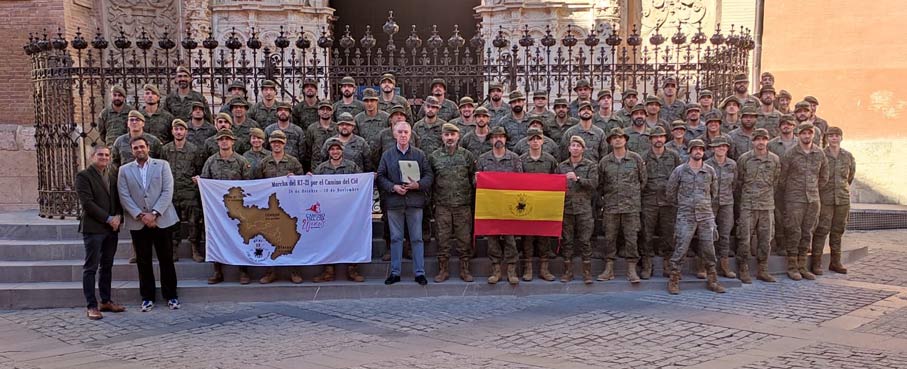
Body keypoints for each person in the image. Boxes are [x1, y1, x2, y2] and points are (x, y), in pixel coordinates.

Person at [117, 136, 180, 312]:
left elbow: (168, 191)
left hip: (162, 220)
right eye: (136, 148)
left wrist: (154, 214)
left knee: (166, 259)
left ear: (148, 148)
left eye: (142, 147)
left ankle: (171, 295)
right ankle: (147, 297)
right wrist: (139, 215)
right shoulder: (124, 170)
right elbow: (124, 195)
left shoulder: (162, 165)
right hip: (138, 222)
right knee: (143, 261)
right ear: (132, 151)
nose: (139, 150)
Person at [376, 121, 434, 285]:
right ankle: (395, 272)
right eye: (400, 132)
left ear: (410, 135)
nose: (403, 135)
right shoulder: (387, 155)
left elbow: (429, 175)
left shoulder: (419, 154)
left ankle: (419, 272)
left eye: (406, 132)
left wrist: (418, 185)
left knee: (416, 238)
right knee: (395, 238)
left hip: (414, 202)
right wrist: (393, 187)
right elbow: (380, 176)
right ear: (394, 134)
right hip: (394, 202)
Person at [664, 139, 724, 294]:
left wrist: (704, 204)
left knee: (709, 247)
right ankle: (674, 279)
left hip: (705, 214)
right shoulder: (680, 170)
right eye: (695, 149)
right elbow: (670, 192)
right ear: (689, 151)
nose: (698, 151)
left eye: (701, 149)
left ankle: (712, 279)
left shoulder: (709, 171)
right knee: (681, 247)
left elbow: (714, 192)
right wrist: (683, 205)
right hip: (686, 214)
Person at [197, 129, 254, 284]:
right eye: (221, 139)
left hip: (237, 209)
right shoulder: (211, 161)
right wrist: (200, 182)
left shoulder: (241, 161)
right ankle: (217, 271)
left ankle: (243, 271)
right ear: (217, 142)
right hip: (217, 209)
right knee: (217, 238)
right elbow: (205, 181)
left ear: (233, 141)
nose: (224, 142)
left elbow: (249, 185)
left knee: (241, 238)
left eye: (227, 139)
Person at [75, 145, 125, 320]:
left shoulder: (111, 175)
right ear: (92, 156)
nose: (104, 157)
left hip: (111, 229)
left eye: (106, 155)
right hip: (94, 228)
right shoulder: (84, 176)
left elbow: (118, 198)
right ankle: (91, 305)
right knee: (91, 267)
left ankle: (106, 300)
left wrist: (118, 216)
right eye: (100, 154)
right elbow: (87, 203)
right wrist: (108, 218)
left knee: (107, 265)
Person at [312, 138, 367, 282]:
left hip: (348, 210)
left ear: (342, 150)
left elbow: (361, 183)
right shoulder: (322, 168)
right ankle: (328, 271)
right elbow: (313, 187)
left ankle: (352, 269)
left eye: (338, 149)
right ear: (328, 152)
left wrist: (368, 178)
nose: (335, 152)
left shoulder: (352, 166)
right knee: (327, 239)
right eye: (332, 149)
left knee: (351, 238)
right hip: (328, 210)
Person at [779, 123, 828, 281]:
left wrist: (813, 190)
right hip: (794, 199)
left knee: (807, 232)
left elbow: (824, 176)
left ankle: (802, 266)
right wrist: (793, 192)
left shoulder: (819, 153)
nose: (807, 136)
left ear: (813, 135)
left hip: (813, 199)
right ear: (798, 135)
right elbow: (782, 178)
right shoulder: (791, 154)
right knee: (794, 231)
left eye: (809, 133)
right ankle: (792, 267)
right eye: (803, 133)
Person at [256, 130, 306, 284]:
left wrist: (295, 179)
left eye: (280, 142)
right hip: (270, 208)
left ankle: (294, 270)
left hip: (288, 208)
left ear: (284, 143)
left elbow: (302, 183)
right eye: (274, 142)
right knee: (269, 239)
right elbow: (256, 184)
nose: (277, 144)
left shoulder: (293, 162)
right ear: (270, 144)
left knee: (290, 238)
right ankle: (270, 271)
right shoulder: (264, 162)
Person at [429, 123, 477, 282]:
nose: (449, 138)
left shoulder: (467, 156)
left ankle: (465, 270)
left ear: (458, 136)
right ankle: (443, 270)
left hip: (462, 205)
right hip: (442, 205)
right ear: (442, 137)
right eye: (446, 135)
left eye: (452, 135)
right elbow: (431, 180)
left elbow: (472, 179)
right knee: (442, 239)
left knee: (464, 239)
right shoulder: (434, 156)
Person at [598, 127, 646, 283]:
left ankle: (631, 269)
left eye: (620, 137)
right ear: (610, 142)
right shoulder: (604, 162)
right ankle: (609, 268)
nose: (617, 139)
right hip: (611, 207)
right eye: (614, 137)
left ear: (625, 140)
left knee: (631, 238)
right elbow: (601, 184)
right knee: (609, 238)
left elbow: (643, 180)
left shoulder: (635, 159)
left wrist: (631, 195)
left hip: (631, 207)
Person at [476, 126, 524, 284]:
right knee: (492, 238)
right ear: (490, 140)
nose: (498, 139)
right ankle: (496, 269)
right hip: (490, 205)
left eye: (501, 137)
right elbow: (475, 181)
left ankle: (511, 269)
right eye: (495, 137)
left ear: (505, 139)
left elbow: (521, 181)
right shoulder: (483, 159)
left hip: (509, 205)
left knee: (510, 238)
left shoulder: (514, 158)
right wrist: (476, 179)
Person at [735, 128, 780, 283]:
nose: (761, 142)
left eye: (764, 139)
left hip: (767, 205)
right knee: (744, 238)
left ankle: (763, 269)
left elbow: (776, 180)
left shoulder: (774, 159)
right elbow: (739, 181)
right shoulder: (744, 159)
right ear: (752, 141)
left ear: (768, 141)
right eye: (758, 139)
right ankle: (743, 268)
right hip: (748, 204)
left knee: (766, 239)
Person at [160, 119, 205, 263]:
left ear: (186, 131)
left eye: (181, 129)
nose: (179, 132)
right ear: (172, 131)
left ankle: (195, 249)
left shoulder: (194, 149)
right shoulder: (165, 150)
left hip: (189, 192)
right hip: (171, 192)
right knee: (173, 222)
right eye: (176, 129)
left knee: (193, 222)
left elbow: (199, 170)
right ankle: (173, 250)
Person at [640, 126, 681, 279]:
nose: (658, 140)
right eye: (655, 137)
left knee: (668, 233)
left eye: (661, 137)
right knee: (647, 233)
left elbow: (679, 176)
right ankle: (647, 263)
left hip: (668, 200)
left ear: (665, 139)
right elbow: (640, 178)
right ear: (650, 139)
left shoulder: (673, 156)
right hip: (649, 200)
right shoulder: (643, 157)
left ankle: (667, 262)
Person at [812, 126, 855, 275]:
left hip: (842, 199)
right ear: (826, 138)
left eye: (837, 135)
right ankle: (816, 263)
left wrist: (841, 189)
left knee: (838, 230)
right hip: (825, 198)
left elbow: (850, 176)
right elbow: (816, 175)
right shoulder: (821, 155)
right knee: (821, 229)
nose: (834, 138)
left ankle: (835, 262)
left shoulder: (847, 156)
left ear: (841, 138)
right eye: (831, 136)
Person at [519, 127, 559, 281]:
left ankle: (544, 269)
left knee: (544, 236)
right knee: (527, 237)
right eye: (532, 139)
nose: (535, 142)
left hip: (544, 204)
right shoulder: (521, 160)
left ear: (543, 140)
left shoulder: (550, 160)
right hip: (526, 204)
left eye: (538, 139)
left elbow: (555, 180)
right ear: (527, 141)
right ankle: (527, 268)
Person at [557, 135, 599, 284]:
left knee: (585, 240)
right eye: (573, 145)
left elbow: (594, 184)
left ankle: (587, 272)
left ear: (583, 149)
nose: (575, 148)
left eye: (578, 146)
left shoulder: (590, 166)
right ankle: (567, 271)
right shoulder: (561, 166)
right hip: (566, 209)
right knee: (567, 241)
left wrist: (578, 179)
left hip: (584, 210)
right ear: (569, 148)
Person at [704, 136, 737, 279]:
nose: (721, 149)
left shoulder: (732, 164)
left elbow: (735, 184)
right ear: (713, 148)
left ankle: (724, 266)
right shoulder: (706, 164)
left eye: (724, 146)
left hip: (727, 202)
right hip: (710, 203)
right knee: (708, 234)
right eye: (718, 146)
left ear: (727, 148)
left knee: (724, 234)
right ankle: (706, 265)